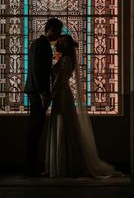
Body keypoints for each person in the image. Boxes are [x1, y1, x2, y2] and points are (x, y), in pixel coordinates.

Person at [45, 34, 123, 178]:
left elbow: (59, 80)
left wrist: (50, 96)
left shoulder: (66, 60)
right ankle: (64, 163)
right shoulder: (64, 59)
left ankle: (65, 164)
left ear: (64, 45)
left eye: (59, 42)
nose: (56, 44)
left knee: (63, 124)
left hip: (61, 95)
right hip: (61, 94)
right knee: (63, 124)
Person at [24, 17, 63, 176]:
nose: (58, 35)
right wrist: (43, 93)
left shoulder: (37, 43)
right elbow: (38, 70)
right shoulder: (43, 45)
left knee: (34, 131)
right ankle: (31, 169)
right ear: (51, 29)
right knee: (35, 131)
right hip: (37, 92)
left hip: (35, 91)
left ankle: (31, 167)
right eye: (58, 31)